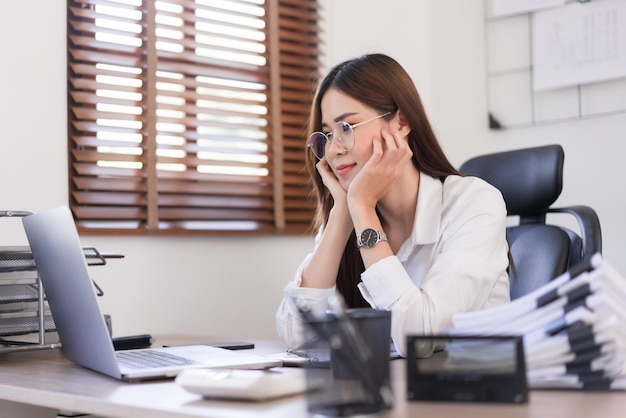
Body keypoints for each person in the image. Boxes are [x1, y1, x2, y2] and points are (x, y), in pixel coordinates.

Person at [275, 53, 510, 357]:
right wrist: (343, 214)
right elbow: (298, 335)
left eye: (347, 127)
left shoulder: (474, 202)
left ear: (401, 122)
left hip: (474, 396)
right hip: (393, 397)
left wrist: (361, 205)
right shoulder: (351, 214)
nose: (334, 149)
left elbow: (420, 339)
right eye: (328, 134)